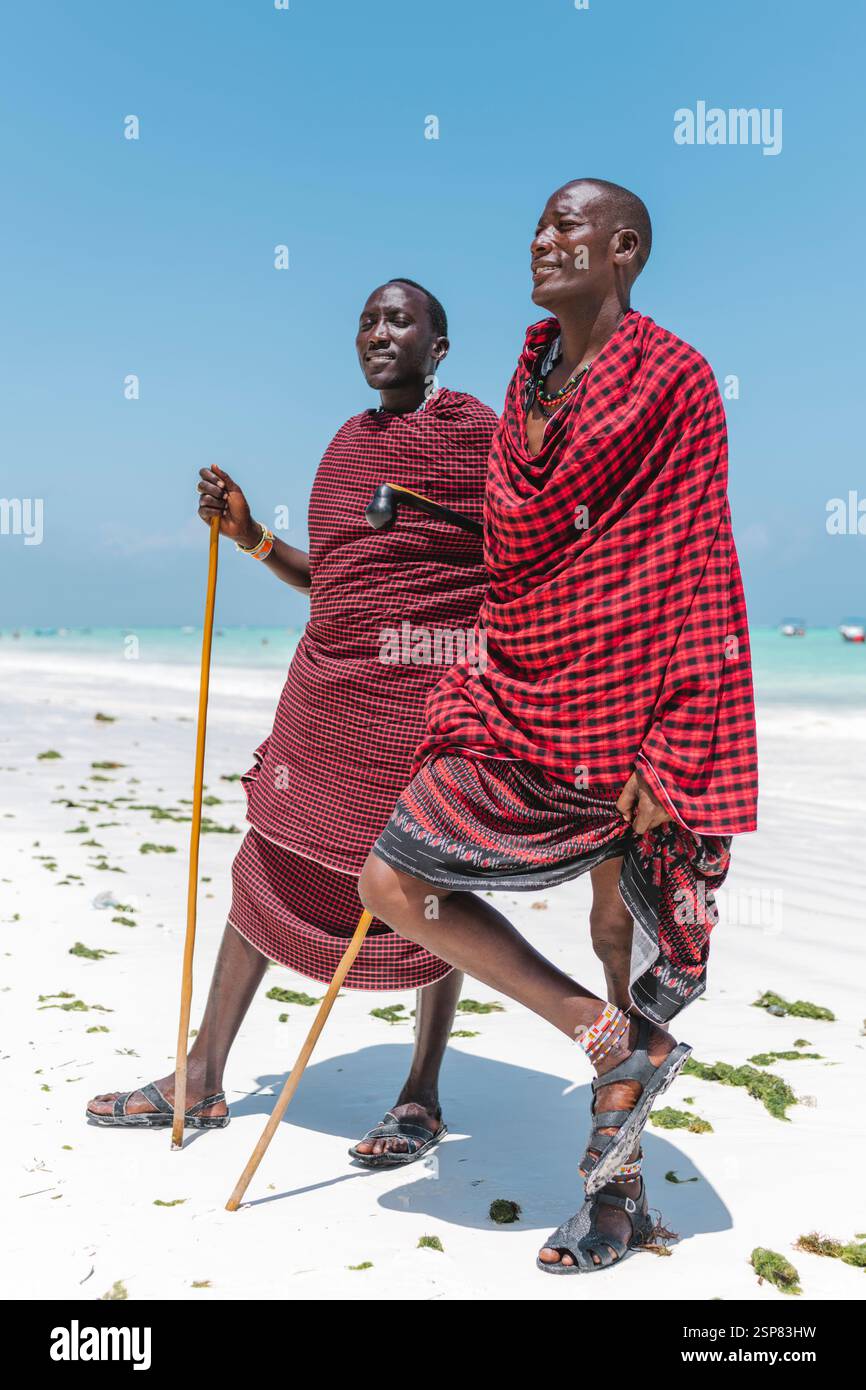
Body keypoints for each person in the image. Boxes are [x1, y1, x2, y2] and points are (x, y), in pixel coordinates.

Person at [359, 181, 758, 1272]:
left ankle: (613, 1195)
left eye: (567, 226)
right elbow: (516, 533)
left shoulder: (672, 378)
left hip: (632, 710)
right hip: (521, 684)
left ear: (622, 248)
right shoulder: (528, 367)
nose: (542, 239)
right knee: (394, 876)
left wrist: (674, 744)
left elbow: (694, 562)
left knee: (615, 931)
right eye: (536, 224)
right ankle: (616, 1039)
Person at [86, 278, 498, 1163]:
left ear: (440, 346)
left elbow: (514, 568)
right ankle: (200, 1079)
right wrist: (251, 537)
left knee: (436, 877)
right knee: (268, 855)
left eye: (400, 320)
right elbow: (343, 583)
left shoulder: (477, 439)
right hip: (325, 699)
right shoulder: (347, 446)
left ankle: (421, 1093)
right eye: (366, 321)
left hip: (422, 703)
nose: (378, 333)